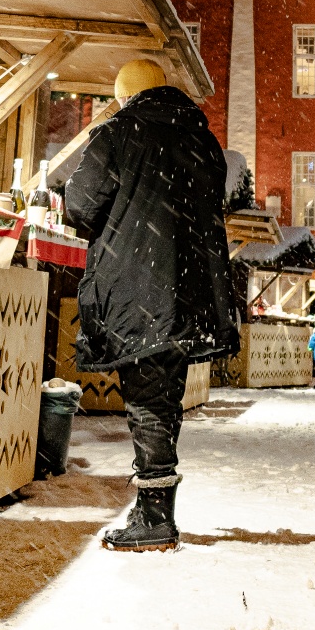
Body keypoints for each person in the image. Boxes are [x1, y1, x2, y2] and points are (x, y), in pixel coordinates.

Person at [66, 58, 241, 552]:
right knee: (164, 393)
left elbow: (80, 203)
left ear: (126, 98)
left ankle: (155, 518)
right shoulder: (203, 140)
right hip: (188, 285)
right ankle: (155, 509)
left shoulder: (118, 131)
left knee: (144, 397)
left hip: (135, 281)